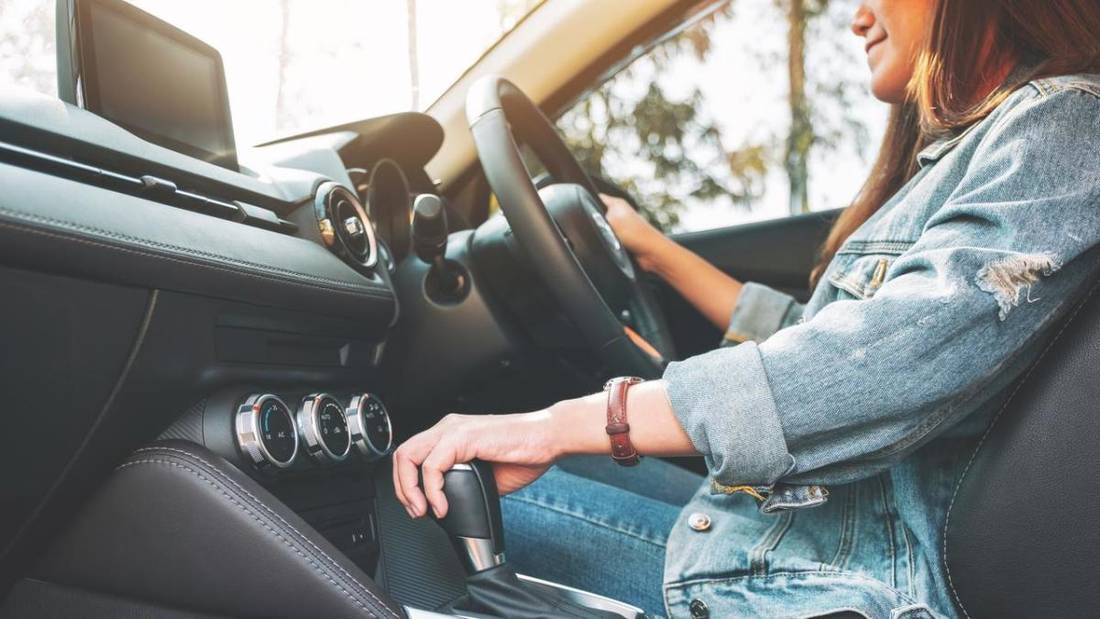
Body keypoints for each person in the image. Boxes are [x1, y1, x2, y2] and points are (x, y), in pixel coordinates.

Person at [394, 0, 1100, 616]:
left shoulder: (1064, 125)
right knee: (468, 476)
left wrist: (566, 423)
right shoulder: (969, 154)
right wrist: (656, 273)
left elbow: (882, 363)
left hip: (829, 584)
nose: (856, 16)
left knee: (420, 506)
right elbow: (820, 337)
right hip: (803, 535)